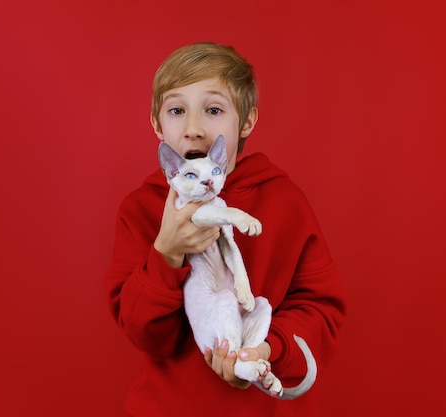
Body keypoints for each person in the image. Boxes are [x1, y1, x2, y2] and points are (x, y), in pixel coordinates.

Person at [104, 41, 346, 416]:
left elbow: (321, 307)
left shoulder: (285, 201)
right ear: (156, 124)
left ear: (246, 121)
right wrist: (166, 252)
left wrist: (268, 349)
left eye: (213, 109)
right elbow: (147, 336)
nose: (194, 128)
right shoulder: (140, 209)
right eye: (176, 110)